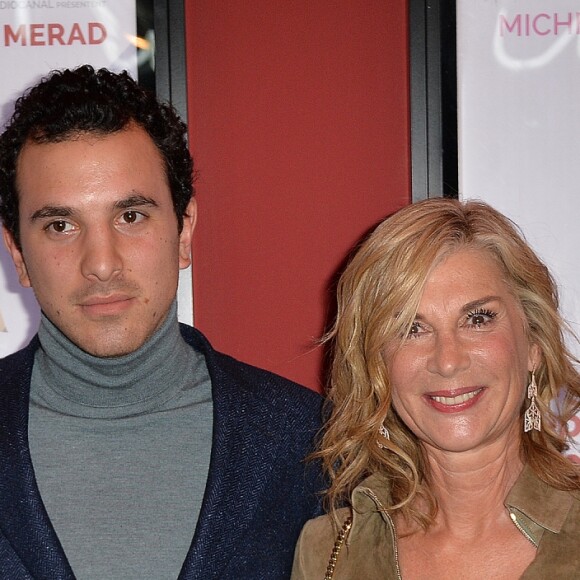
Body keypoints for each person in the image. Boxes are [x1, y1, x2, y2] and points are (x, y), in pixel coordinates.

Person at [0, 65, 324, 580]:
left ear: (184, 231)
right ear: (17, 252)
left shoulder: (309, 445)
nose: (101, 263)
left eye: (131, 217)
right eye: (61, 225)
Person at [292, 198, 580, 579]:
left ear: (533, 345)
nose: (447, 360)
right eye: (412, 327)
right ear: (376, 364)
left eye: (477, 319)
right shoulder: (329, 549)